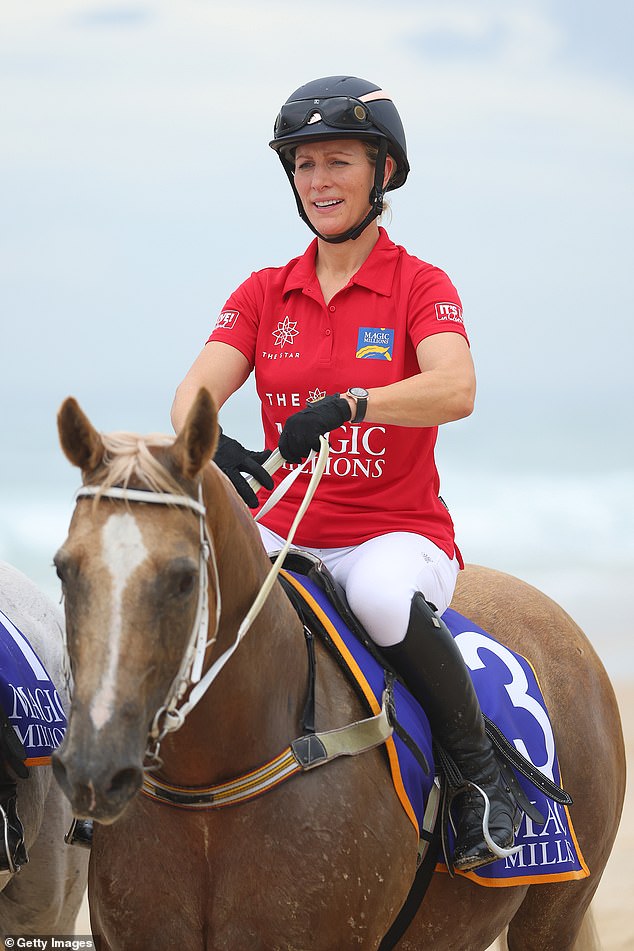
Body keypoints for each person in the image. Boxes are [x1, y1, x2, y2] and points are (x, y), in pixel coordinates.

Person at [172, 75, 518, 871]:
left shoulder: (419, 285)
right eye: (303, 165)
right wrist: (216, 443)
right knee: (167, 589)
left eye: (337, 162)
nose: (319, 181)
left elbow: (456, 386)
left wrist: (352, 402)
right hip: (282, 533)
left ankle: (478, 773)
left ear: (383, 173)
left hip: (392, 537)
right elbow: (193, 389)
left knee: (379, 597)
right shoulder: (265, 292)